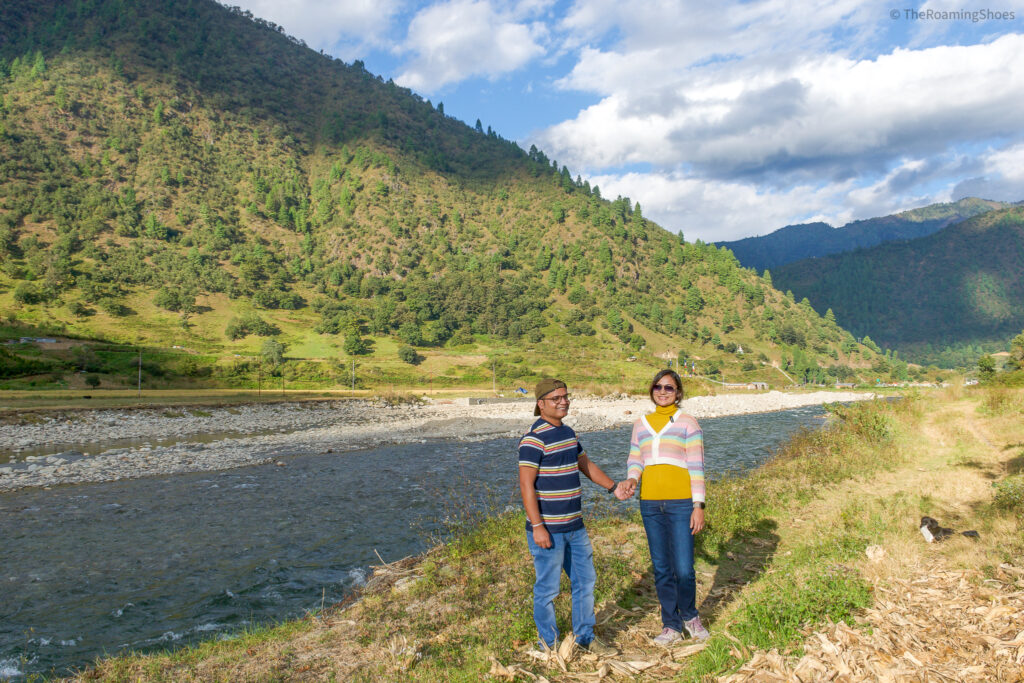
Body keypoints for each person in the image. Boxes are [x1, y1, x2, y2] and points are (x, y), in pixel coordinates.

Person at [518, 378, 620, 655]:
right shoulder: (533, 440)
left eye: (566, 396)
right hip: (548, 529)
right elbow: (526, 485)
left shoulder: (568, 433)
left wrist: (614, 487)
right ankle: (549, 645)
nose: (563, 402)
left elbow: (585, 464)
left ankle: (585, 637)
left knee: (585, 582)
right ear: (541, 404)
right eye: (556, 398)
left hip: (576, 526)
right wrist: (538, 527)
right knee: (547, 590)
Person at [615, 369, 710, 644]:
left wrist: (698, 505)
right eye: (658, 387)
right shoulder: (641, 424)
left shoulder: (688, 423)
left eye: (669, 388)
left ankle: (691, 617)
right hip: (650, 504)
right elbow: (636, 459)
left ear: (678, 392)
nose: (663, 392)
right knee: (661, 567)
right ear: (651, 390)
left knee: (684, 568)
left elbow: (697, 466)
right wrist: (632, 479)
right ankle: (671, 625)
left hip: (682, 504)